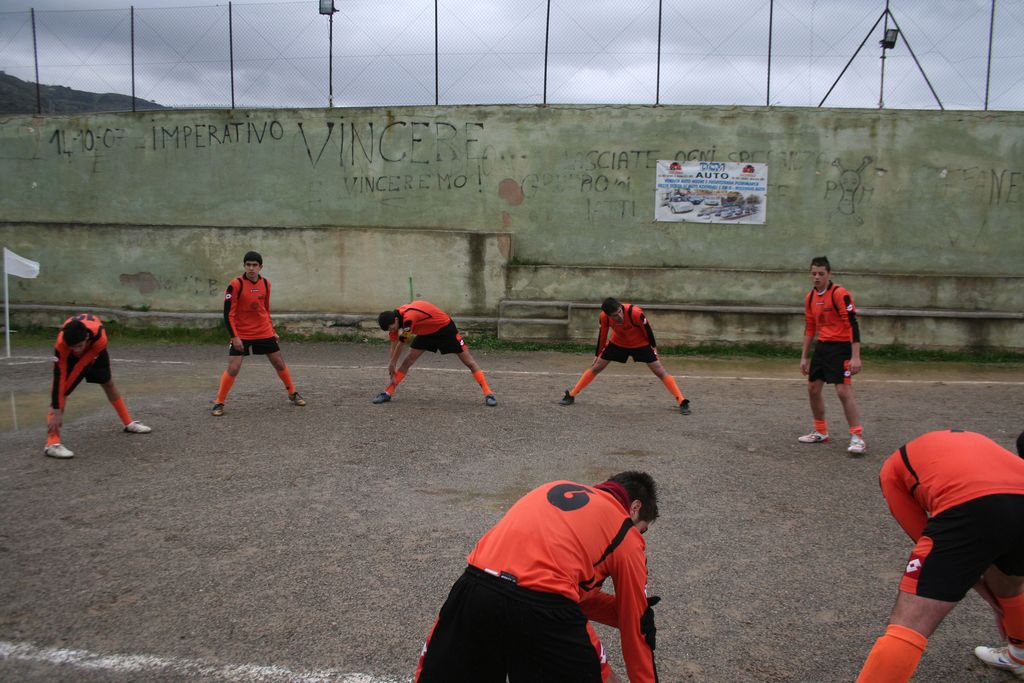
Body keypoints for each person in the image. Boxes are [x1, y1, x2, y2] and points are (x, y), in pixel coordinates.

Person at [414, 471, 660, 683]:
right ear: (634, 508)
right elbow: (638, 625)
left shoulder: (554, 488)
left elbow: (543, 578)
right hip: (543, 609)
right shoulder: (625, 532)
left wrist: (617, 611)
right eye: (643, 529)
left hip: (475, 587)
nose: (640, 536)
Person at [856, 429, 1024, 682]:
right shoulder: (972, 440)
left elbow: (924, 535)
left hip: (970, 504)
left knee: (910, 622)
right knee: (1010, 584)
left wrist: (980, 589)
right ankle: (1020, 656)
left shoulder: (891, 469)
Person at [44, 314, 152, 459]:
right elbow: (59, 373)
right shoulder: (62, 343)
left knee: (108, 383)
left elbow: (82, 366)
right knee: (61, 389)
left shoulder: (99, 338)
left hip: (94, 350)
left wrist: (64, 392)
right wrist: (57, 408)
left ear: (86, 338)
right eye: (72, 347)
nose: (76, 350)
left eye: (79, 346)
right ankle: (52, 443)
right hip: (74, 354)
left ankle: (129, 423)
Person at [211, 251, 305, 416]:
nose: (251, 268)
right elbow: (228, 314)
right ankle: (219, 402)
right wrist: (234, 336)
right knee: (233, 368)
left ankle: (292, 393)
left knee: (279, 363)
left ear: (260, 267)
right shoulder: (236, 284)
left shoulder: (266, 284)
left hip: (263, 331)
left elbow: (265, 310)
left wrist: (272, 330)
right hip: (242, 333)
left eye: (255, 265)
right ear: (244, 266)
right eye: (248, 265)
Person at [559, 297, 690, 414]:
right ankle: (571, 395)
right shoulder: (604, 317)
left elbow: (648, 331)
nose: (619, 316)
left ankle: (682, 401)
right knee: (596, 367)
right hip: (618, 342)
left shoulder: (635, 313)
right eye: (615, 315)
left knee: (660, 371)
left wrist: (653, 349)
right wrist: (597, 354)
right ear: (608, 315)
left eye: (619, 312)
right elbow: (602, 335)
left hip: (640, 343)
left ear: (620, 307)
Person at [797, 256, 866, 454]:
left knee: (843, 391)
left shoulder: (840, 294)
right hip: (822, 347)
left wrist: (855, 356)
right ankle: (821, 431)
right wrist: (804, 357)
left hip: (842, 348)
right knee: (813, 389)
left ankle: (857, 437)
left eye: (821, 273)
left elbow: (852, 324)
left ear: (829, 274)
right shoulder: (810, 297)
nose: (817, 277)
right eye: (814, 274)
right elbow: (810, 327)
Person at [373, 300, 496, 406]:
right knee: (407, 361)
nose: (392, 330)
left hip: (445, 329)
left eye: (392, 328)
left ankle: (488, 394)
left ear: (395, 320)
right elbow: (393, 345)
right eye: (390, 330)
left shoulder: (409, 318)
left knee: (469, 362)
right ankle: (388, 392)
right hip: (426, 332)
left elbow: (401, 343)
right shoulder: (394, 321)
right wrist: (392, 365)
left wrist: (393, 364)